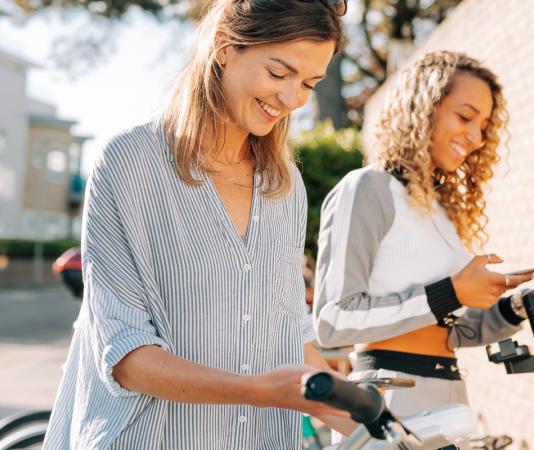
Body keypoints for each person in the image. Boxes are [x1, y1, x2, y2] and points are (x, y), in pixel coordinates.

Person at [43, 0, 354, 448]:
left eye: (309, 83)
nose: (292, 99)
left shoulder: (284, 188)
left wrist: (389, 428)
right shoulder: (129, 165)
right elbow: (124, 355)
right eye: (278, 73)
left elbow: (290, 339)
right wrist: (258, 392)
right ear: (226, 48)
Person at [313, 51, 534, 417]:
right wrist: (449, 293)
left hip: (450, 392)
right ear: (424, 106)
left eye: (484, 126)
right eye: (465, 116)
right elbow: (332, 321)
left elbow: (456, 329)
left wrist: (514, 308)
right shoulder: (369, 188)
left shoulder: (441, 214)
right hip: (391, 393)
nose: (477, 137)